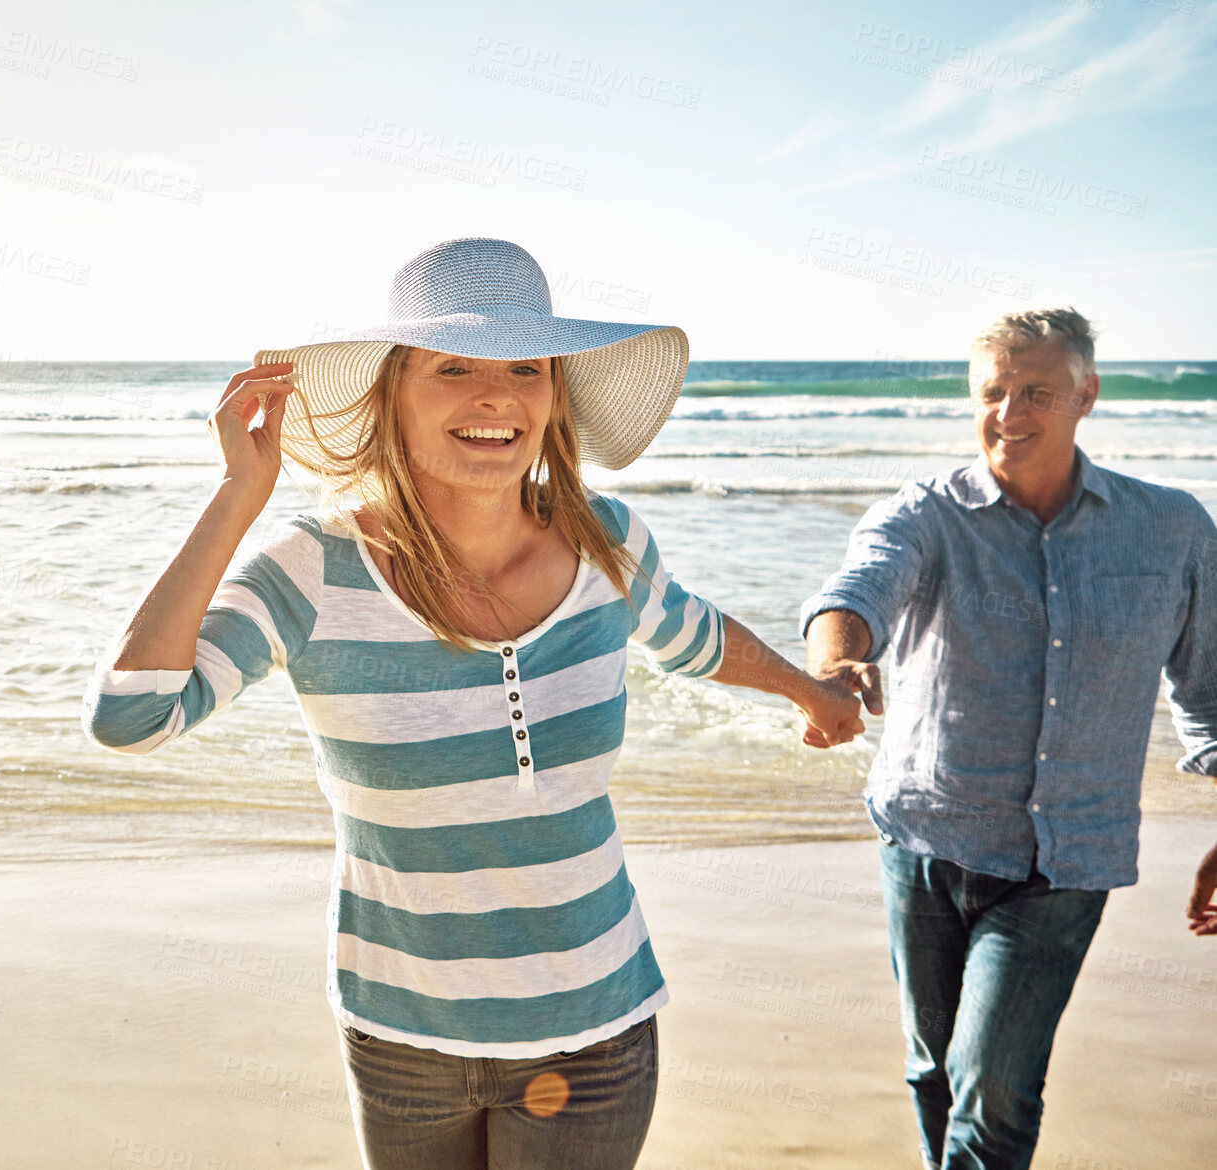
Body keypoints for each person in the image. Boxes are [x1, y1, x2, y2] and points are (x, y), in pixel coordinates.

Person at [82, 237, 863, 1170]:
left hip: (596, 1022)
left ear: (552, 398)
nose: (495, 397)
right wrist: (236, 494)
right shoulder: (314, 569)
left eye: (524, 370)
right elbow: (133, 715)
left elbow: (692, 635)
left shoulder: (605, 542)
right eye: (453, 368)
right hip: (401, 1030)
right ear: (391, 393)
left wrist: (809, 690)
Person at [800, 307, 1217, 1170]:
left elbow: (1208, 691)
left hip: (1067, 861)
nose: (1008, 412)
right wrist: (837, 667)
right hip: (925, 840)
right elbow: (853, 593)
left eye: (1035, 391)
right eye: (992, 391)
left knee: (993, 1086)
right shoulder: (925, 515)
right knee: (933, 1069)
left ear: (1085, 395)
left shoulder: (1171, 529)